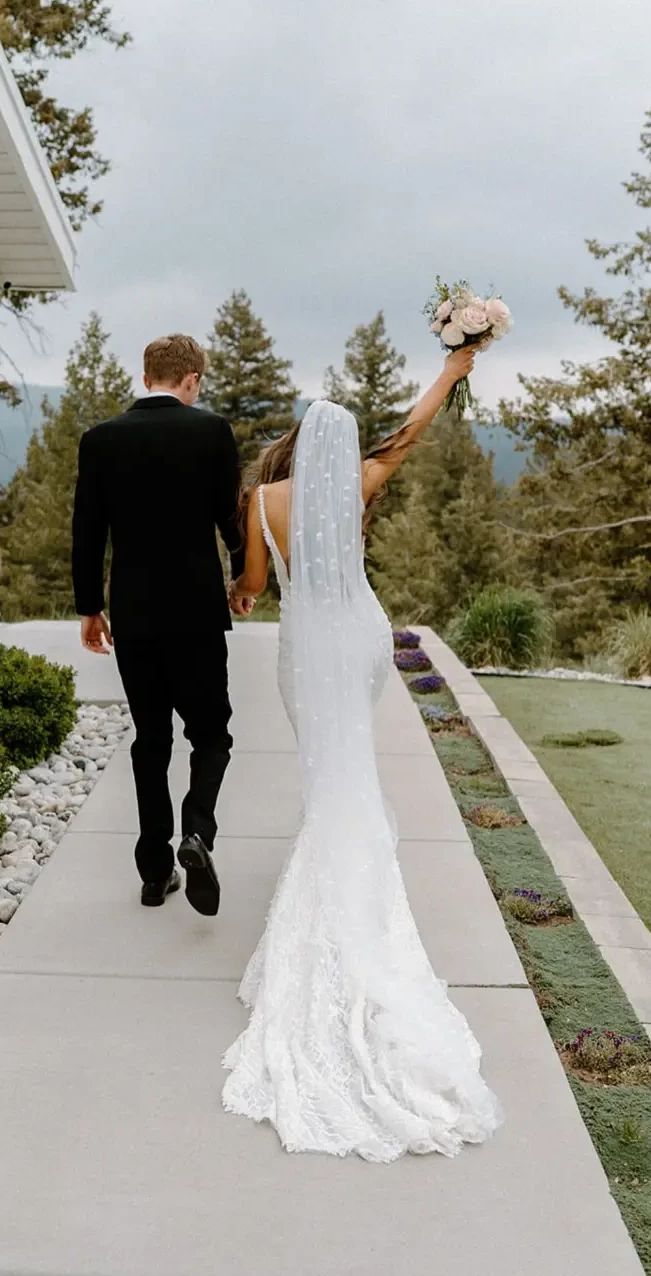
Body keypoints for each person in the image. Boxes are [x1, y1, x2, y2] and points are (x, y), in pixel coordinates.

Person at [221, 344, 502, 1161]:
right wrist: (452, 371)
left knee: (328, 781)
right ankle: (357, 895)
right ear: (343, 452)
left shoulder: (261, 499)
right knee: (353, 775)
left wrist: (245, 584)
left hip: (307, 645)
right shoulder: (360, 487)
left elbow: (256, 589)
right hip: (362, 641)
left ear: (301, 441)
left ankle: (330, 900)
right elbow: (406, 435)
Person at [72, 334, 244, 916]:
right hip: (196, 613)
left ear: (148, 378)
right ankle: (197, 832)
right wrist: (244, 580)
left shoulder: (100, 441)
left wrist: (89, 607)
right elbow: (230, 516)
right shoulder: (211, 432)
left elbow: (87, 532)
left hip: (136, 616)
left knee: (151, 741)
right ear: (192, 378)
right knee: (212, 734)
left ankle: (154, 871)